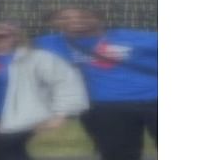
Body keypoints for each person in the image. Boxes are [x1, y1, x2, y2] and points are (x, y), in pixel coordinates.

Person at [35, 8, 158, 160]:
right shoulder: (48, 43)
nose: (75, 20)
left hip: (156, 99)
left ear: (99, 18)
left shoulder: (136, 37)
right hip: (105, 108)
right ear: (54, 22)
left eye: (83, 14)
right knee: (119, 155)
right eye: (64, 17)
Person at [0, 21, 88, 160]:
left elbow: (66, 82)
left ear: (16, 37)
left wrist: (61, 114)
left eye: (4, 36)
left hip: (20, 123)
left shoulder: (36, 58)